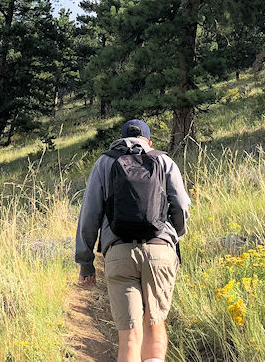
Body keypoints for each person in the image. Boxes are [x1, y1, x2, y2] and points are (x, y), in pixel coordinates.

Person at [75, 119, 191, 362]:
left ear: (120, 139)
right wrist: (173, 236)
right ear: (148, 141)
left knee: (129, 335)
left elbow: (89, 214)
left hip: (119, 253)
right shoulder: (164, 160)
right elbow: (180, 204)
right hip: (160, 250)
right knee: (155, 323)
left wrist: (86, 263)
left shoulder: (105, 163)